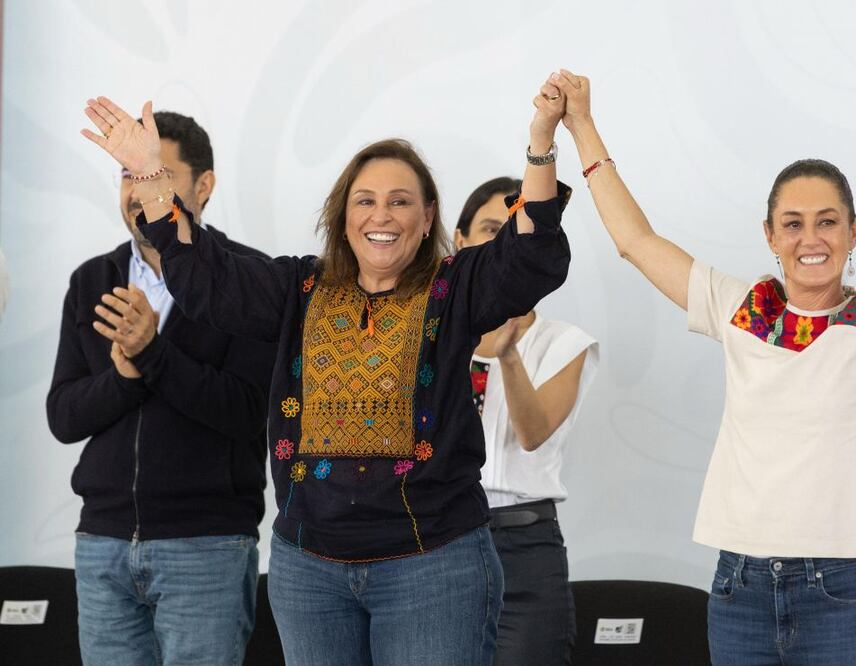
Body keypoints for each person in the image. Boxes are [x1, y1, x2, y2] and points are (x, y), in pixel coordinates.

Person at [551, 15, 856, 664]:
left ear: (852, 231)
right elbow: (635, 242)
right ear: (769, 234)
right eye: (792, 223)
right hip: (739, 586)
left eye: (827, 222)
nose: (809, 238)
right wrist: (581, 125)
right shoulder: (742, 309)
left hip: (842, 586)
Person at [79, 73, 572, 665]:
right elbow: (203, 273)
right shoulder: (299, 288)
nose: (381, 214)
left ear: (427, 217)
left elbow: (530, 253)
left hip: (433, 565)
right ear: (342, 217)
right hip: (309, 572)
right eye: (365, 200)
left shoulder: (455, 287)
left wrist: (541, 142)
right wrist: (151, 176)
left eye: (400, 201)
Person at [47, 111, 276, 665]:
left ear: (204, 185)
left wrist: (153, 354)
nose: (136, 191)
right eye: (128, 174)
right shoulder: (92, 279)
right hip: (102, 544)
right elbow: (65, 416)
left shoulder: (250, 277)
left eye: (155, 174)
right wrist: (125, 377)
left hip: (206, 545)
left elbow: (248, 412)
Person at [455, 178, 599, 665]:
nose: (503, 245)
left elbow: (533, 434)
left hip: (524, 544)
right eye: (489, 230)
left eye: (514, 231)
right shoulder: (430, 334)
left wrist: (508, 355)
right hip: (441, 539)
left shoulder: (565, 342)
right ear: (460, 241)